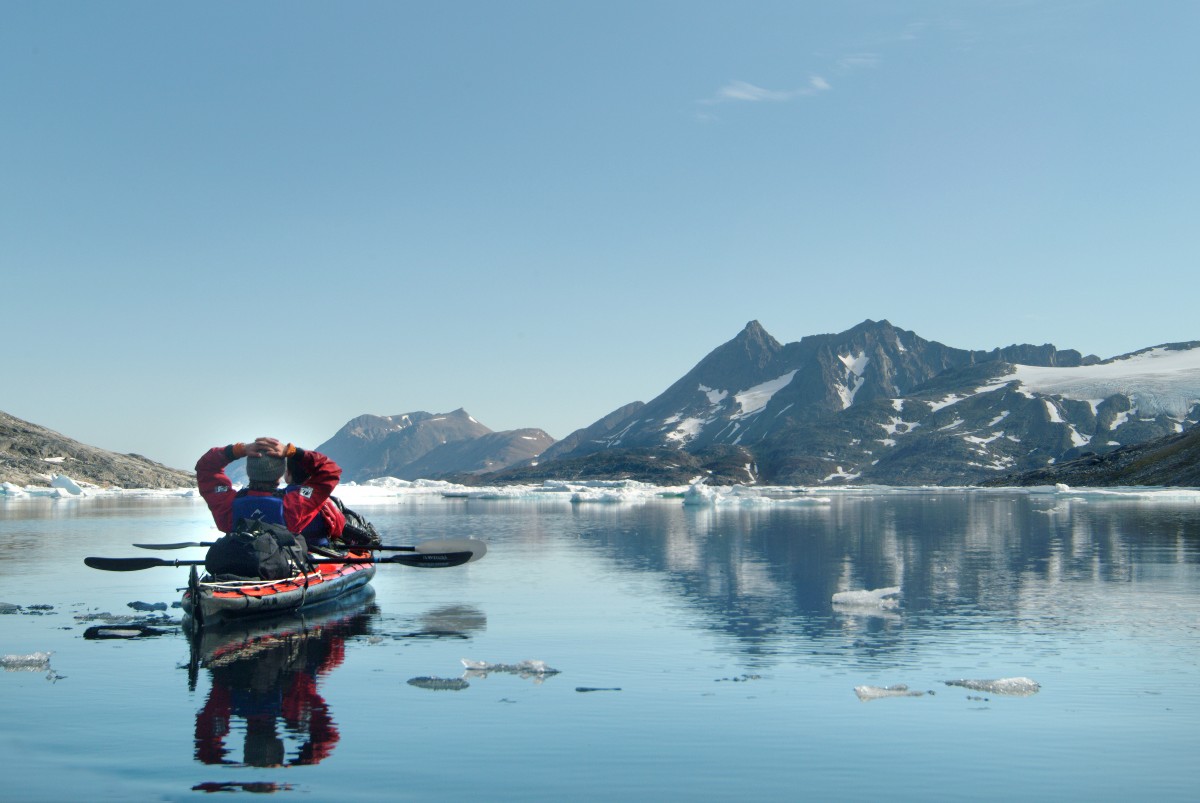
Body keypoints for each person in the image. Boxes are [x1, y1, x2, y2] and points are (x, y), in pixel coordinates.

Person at [196, 436, 345, 547]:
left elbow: (205, 468)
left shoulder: (227, 504)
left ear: (249, 472)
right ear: (280, 474)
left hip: (236, 563)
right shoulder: (293, 505)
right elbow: (330, 471)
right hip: (281, 567)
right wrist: (292, 452)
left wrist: (238, 450)